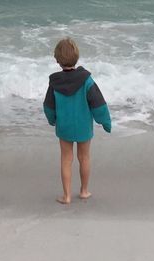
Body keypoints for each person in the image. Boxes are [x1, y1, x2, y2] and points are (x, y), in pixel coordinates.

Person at [43, 37, 111, 204]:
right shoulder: (86, 80)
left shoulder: (55, 82)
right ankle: (84, 190)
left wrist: (52, 119)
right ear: (77, 57)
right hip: (83, 127)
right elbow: (98, 103)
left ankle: (66, 196)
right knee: (84, 157)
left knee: (66, 159)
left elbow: (48, 105)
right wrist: (105, 121)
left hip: (64, 126)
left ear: (57, 60)